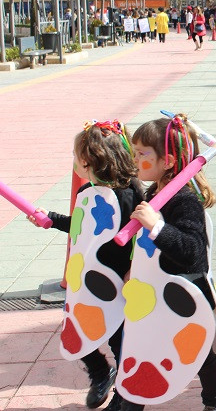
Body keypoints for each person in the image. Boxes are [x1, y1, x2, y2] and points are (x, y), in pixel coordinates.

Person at [30, 121, 142, 410]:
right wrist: (52, 218)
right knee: (78, 331)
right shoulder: (87, 193)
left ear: (87, 161)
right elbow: (82, 227)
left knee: (120, 341)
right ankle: (100, 372)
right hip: (86, 281)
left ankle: (125, 394)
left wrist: (135, 270)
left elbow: (141, 237)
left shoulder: (129, 194)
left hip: (119, 284)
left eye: (74, 154)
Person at [127, 115, 216, 411]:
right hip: (156, 288)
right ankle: (133, 399)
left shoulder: (184, 200)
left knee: (197, 350)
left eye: (142, 154)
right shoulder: (155, 191)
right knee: (145, 344)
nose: (135, 160)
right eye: (134, 152)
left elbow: (193, 251)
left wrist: (157, 226)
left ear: (168, 160)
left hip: (184, 292)